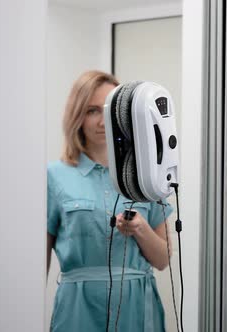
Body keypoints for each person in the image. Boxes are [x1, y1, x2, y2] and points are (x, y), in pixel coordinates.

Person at [47, 70, 173, 331]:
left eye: (109, 110)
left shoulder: (148, 177)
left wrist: (140, 229)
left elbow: (162, 260)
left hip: (137, 311)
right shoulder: (53, 177)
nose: (103, 121)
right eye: (92, 111)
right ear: (77, 117)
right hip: (77, 312)